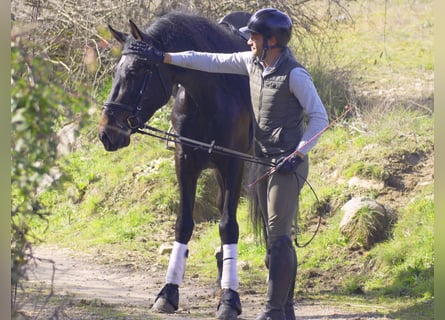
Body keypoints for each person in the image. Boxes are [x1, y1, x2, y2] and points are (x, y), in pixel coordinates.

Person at [127, 8, 329, 320]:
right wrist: (163, 57)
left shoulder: (295, 75)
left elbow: (320, 118)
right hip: (260, 160)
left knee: (277, 235)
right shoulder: (251, 63)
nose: (248, 40)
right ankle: (285, 308)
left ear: (272, 41)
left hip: (287, 165)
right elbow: (206, 60)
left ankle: (275, 311)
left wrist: (299, 153)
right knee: (276, 236)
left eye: (255, 37)